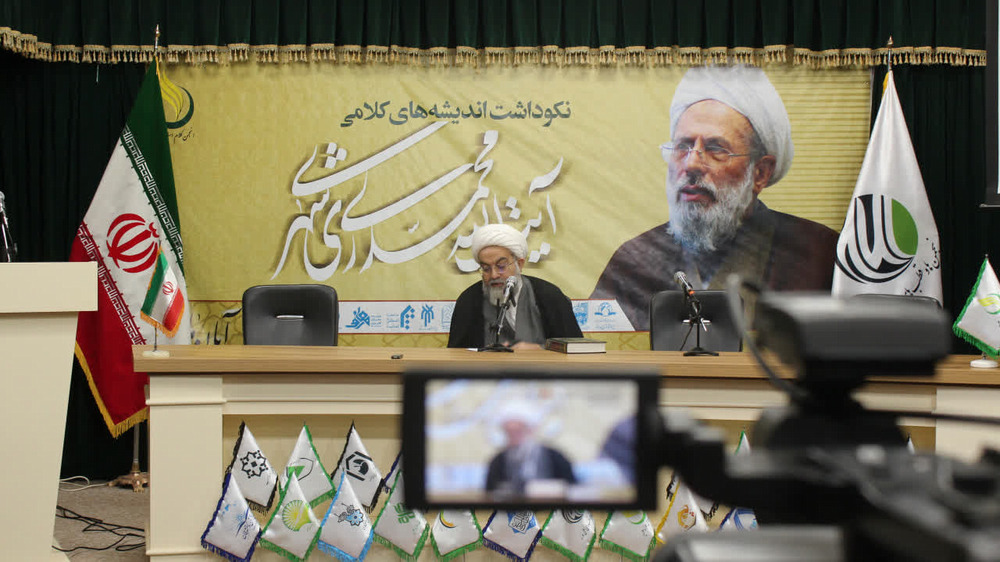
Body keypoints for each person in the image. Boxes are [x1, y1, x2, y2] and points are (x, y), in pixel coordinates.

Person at [590, 65, 839, 331]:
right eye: (683, 146)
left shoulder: (817, 254)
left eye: (715, 149)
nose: (691, 164)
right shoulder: (634, 260)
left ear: (760, 173)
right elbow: (599, 348)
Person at [448, 223, 582, 349]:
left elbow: (576, 349)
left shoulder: (549, 296)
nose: (494, 275)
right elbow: (455, 354)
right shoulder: (469, 300)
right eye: (486, 268)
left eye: (501, 266)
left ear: (520, 264)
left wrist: (541, 350)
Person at [484, 403, 576, 495]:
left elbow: (572, 489)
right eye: (509, 432)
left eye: (518, 431)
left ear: (531, 430)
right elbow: (489, 493)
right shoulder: (498, 461)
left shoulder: (554, 457)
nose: (513, 436)